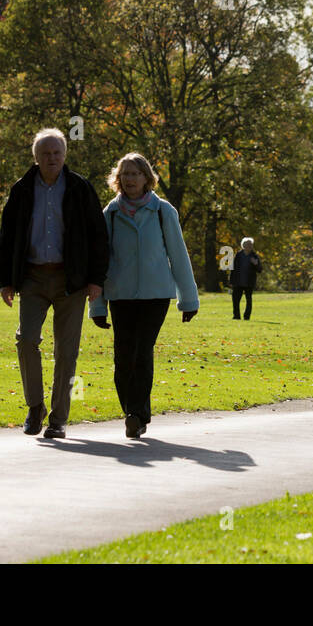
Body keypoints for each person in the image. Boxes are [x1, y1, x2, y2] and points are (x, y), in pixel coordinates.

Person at [0, 128, 109, 439]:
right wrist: (6, 280)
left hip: (71, 280)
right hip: (32, 277)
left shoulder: (79, 188)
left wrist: (96, 280)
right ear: (36, 158)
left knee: (67, 352)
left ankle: (59, 419)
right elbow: (7, 237)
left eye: (57, 152)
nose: (52, 158)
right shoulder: (22, 190)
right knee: (27, 339)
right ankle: (35, 408)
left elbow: (98, 236)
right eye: (45, 153)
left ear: (64, 155)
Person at [88, 153, 199, 439]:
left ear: (146, 177)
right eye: (125, 174)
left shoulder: (163, 211)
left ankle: (137, 414)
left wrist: (188, 299)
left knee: (141, 350)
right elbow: (99, 262)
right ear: (118, 179)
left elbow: (179, 256)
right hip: (121, 295)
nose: (130, 179)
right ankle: (132, 411)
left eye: (136, 173)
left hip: (155, 295)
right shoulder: (109, 214)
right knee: (123, 356)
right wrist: (97, 307)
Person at [231, 237, 261, 320]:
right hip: (238, 282)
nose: (250, 246)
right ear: (243, 245)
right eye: (248, 245)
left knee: (249, 301)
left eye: (251, 245)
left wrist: (256, 264)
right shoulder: (238, 255)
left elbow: (260, 269)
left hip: (249, 282)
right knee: (235, 300)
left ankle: (246, 316)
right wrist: (231, 281)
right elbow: (233, 268)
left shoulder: (254, 256)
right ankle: (236, 316)